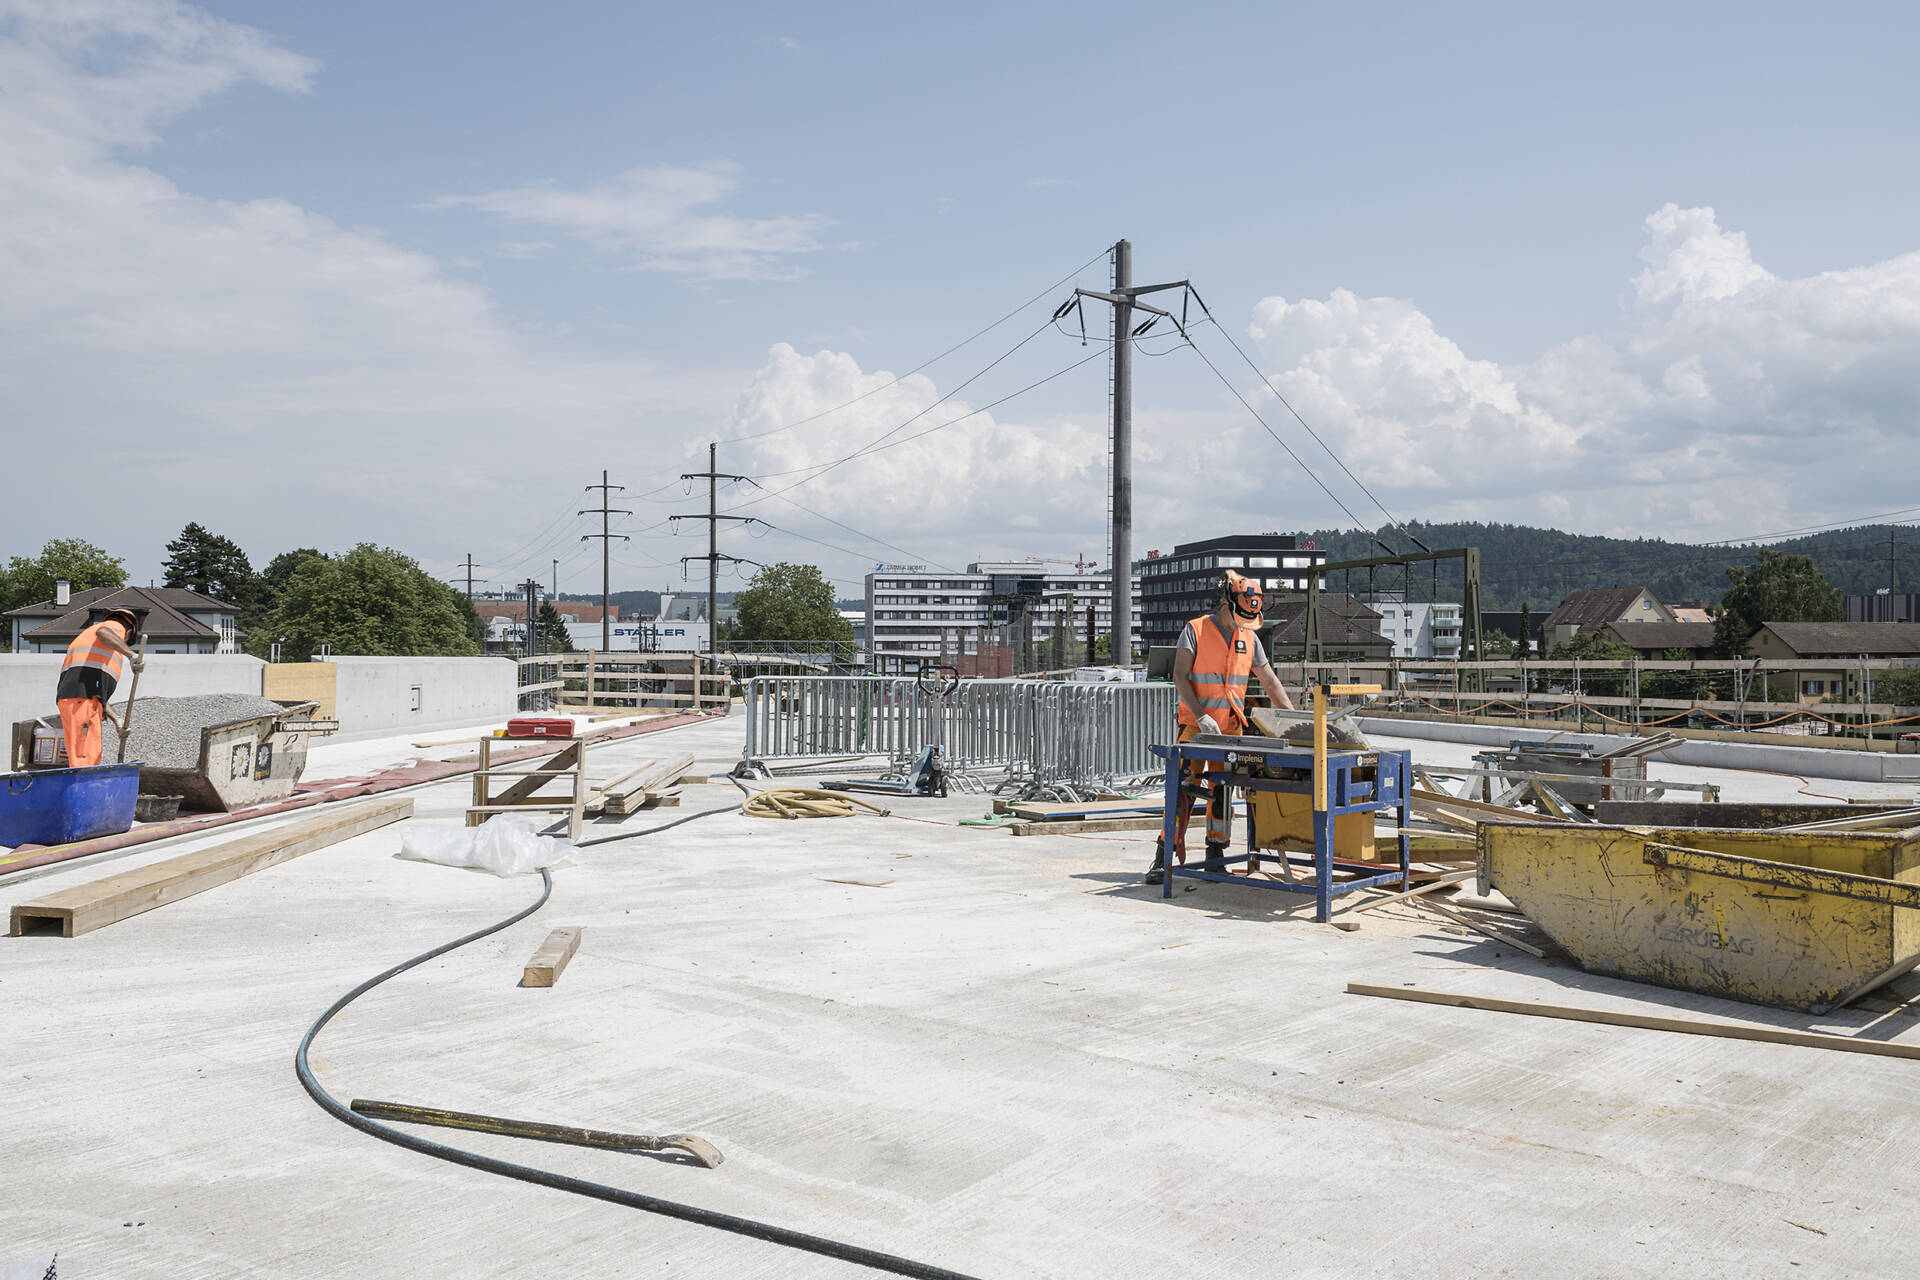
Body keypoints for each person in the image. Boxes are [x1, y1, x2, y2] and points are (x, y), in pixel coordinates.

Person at [1145, 571, 1295, 884]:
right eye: (1241, 617)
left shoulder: (1250, 637)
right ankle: (1163, 858)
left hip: (1231, 731)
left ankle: (1216, 856)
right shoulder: (1195, 630)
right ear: (1227, 603)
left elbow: (1269, 680)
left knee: (1223, 794)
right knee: (1181, 793)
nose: (1244, 624)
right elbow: (1179, 675)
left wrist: (1295, 721)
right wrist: (1201, 716)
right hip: (1195, 729)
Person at [56, 607, 144, 768]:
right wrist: (132, 655)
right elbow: (104, 632)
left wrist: (117, 720)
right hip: (81, 700)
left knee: (88, 751)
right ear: (130, 630)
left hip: (82, 700)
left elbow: (97, 694)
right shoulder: (114, 627)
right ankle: (84, 790)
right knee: (84, 755)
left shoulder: (93, 641)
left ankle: (85, 787)